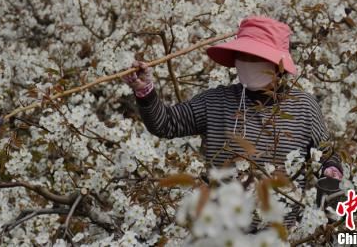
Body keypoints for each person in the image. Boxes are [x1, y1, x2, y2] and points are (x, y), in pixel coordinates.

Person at [121, 16, 343, 230]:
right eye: (242, 57)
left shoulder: (303, 106)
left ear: (278, 64)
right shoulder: (216, 101)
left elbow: (326, 151)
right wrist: (145, 91)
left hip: (281, 233)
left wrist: (332, 168)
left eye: (255, 58)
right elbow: (166, 124)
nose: (247, 64)